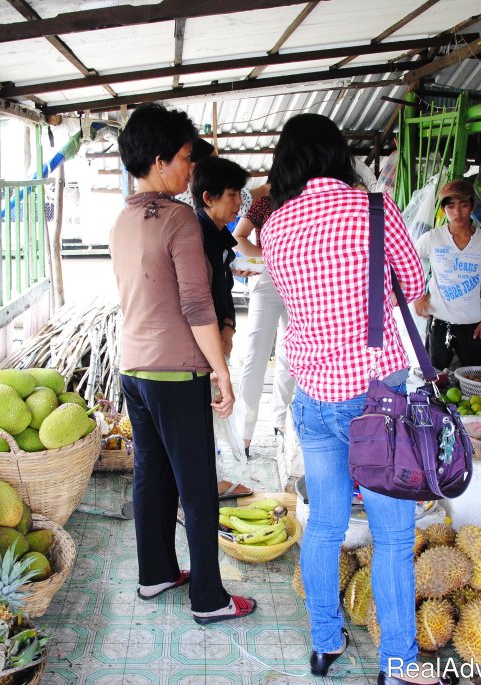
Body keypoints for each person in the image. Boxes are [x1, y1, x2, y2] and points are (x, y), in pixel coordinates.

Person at [261, 113, 450, 685]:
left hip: (313, 397)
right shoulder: (374, 207)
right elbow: (414, 287)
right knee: (393, 537)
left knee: (323, 527)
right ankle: (397, 666)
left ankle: (325, 643)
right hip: (378, 405)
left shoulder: (273, 229)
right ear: (337, 155)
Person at [108, 103, 256, 624]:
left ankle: (156, 574)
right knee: (197, 486)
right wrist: (222, 371)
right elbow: (197, 306)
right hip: (176, 373)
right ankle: (211, 600)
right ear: (158, 159)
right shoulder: (177, 220)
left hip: (135, 370)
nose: (192, 169)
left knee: (151, 473)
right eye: (186, 158)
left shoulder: (123, 219)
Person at [191, 156, 256, 498]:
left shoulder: (219, 237)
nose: (238, 203)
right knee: (203, 414)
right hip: (198, 346)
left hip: (216, 339)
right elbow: (196, 301)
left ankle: (208, 481)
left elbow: (223, 289)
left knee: (213, 411)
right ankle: (198, 490)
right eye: (232, 195)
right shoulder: (195, 237)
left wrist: (228, 328)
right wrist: (215, 351)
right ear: (208, 198)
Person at [233, 183, 296, 454]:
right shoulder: (266, 201)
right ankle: (244, 433)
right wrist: (269, 257)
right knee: (256, 357)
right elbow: (239, 236)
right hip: (267, 279)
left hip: (298, 280)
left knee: (290, 355)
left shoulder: (305, 200)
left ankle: (281, 422)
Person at [413, 179, 481, 372]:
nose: (457, 212)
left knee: (476, 380)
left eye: (463, 205)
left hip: (473, 326)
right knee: (435, 381)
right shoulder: (432, 238)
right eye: (451, 206)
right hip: (439, 325)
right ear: (443, 210)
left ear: (472, 207)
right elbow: (406, 262)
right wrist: (418, 296)